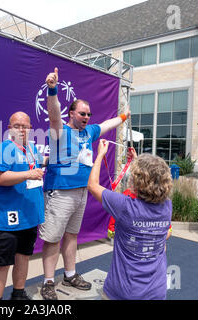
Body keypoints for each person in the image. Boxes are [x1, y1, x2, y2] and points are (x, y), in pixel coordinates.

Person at [39, 67, 131, 300]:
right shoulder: (59, 130)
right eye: (82, 114)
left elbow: (108, 124)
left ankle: (70, 274)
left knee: (71, 235)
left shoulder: (89, 132)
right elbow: (53, 112)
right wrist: (52, 89)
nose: (87, 117)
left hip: (81, 193)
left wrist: (122, 117)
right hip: (59, 193)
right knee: (53, 238)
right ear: (71, 114)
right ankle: (48, 282)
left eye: (89, 114)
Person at [88, 140, 173, 300]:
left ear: (138, 181)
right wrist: (137, 161)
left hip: (122, 292)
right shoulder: (167, 207)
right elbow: (152, 182)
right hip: (156, 291)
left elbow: (92, 185)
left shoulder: (125, 206)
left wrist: (100, 154)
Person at [0, 111, 45, 300]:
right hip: (8, 218)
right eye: (17, 126)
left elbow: (34, 168)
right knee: (2, 263)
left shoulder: (31, 148)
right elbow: (0, 178)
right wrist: (28, 175)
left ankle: (18, 294)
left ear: (30, 128)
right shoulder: (4, 148)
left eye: (25, 126)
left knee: (23, 256)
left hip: (29, 216)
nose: (21, 130)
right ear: (9, 129)